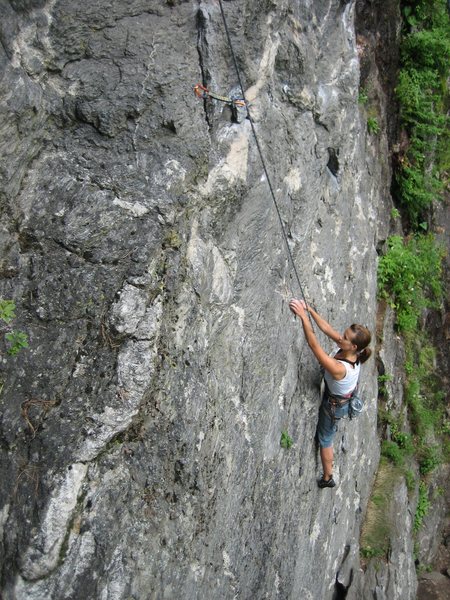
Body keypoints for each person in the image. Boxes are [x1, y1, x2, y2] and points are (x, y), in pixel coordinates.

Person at [289, 299, 372, 488]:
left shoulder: (340, 368)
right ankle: (328, 476)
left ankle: (328, 477)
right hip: (342, 396)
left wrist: (303, 317)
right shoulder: (352, 351)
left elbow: (314, 346)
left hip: (334, 406)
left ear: (353, 347)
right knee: (326, 436)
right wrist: (310, 310)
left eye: (345, 338)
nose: (341, 338)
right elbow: (326, 329)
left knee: (325, 438)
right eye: (343, 334)